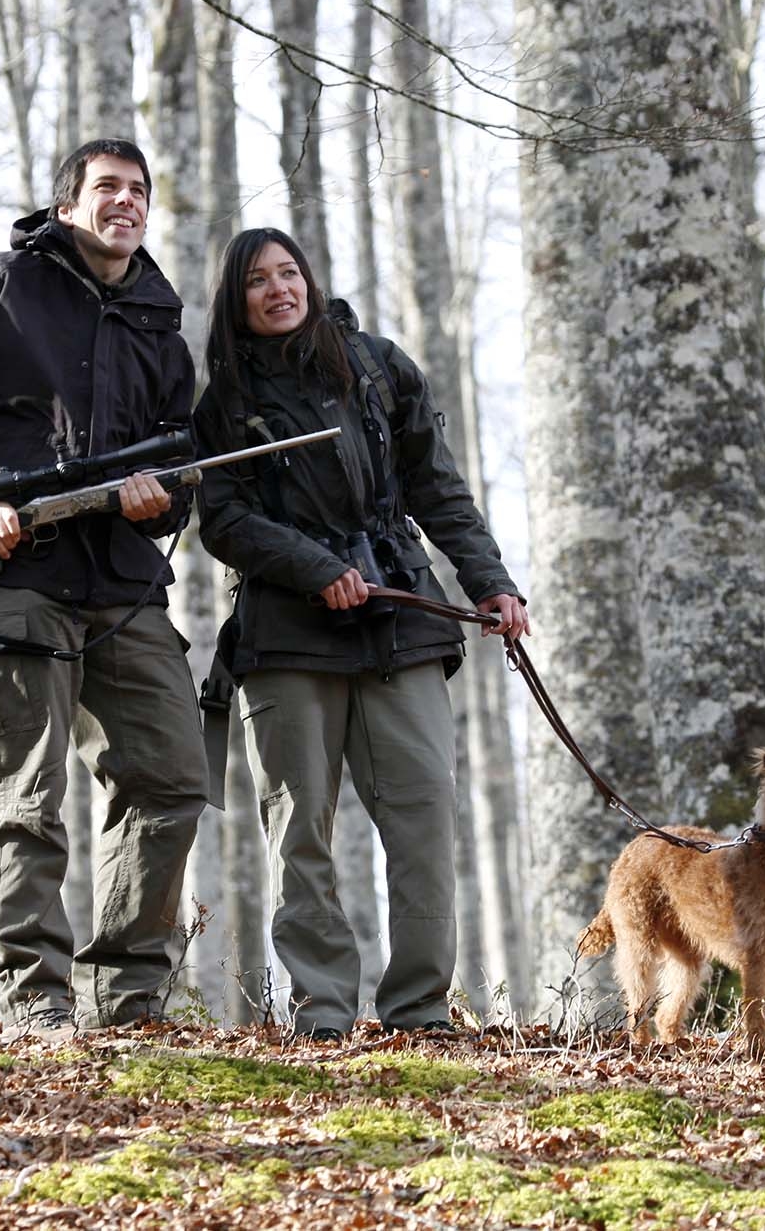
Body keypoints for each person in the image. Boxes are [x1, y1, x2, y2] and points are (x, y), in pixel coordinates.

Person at [0, 138, 207, 1041]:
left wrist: (155, 503)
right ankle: (35, 1002)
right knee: (27, 793)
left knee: (172, 777)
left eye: (139, 190)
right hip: (15, 573)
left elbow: (183, 463)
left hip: (126, 585)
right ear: (66, 205)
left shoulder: (160, 324)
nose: (126, 203)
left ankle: (130, 1000)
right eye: (107, 188)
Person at [193, 227, 528, 1039]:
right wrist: (313, 567)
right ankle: (323, 1015)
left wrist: (491, 581)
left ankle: (419, 1012)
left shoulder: (378, 366)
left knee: (424, 819)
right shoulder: (221, 404)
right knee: (299, 831)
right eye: (258, 282)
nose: (279, 289)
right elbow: (224, 520)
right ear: (236, 302)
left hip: (401, 621)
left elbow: (436, 487)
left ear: (308, 279)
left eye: (288, 273)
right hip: (285, 638)